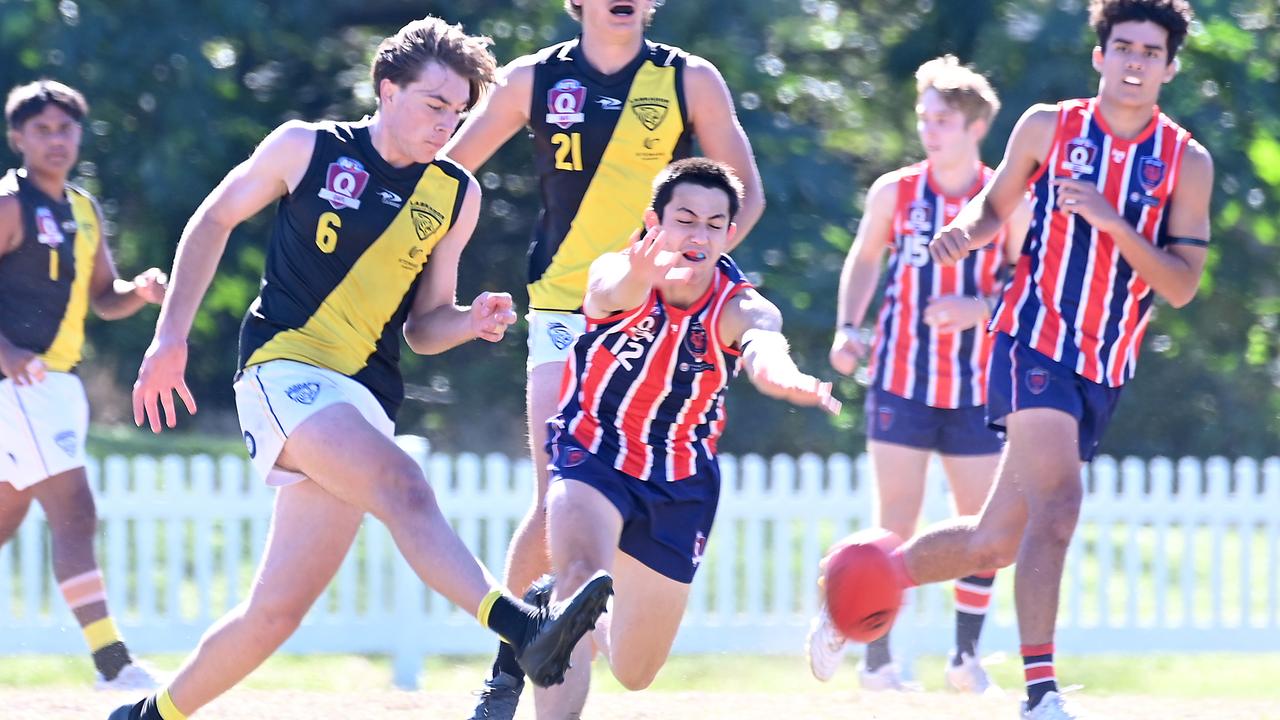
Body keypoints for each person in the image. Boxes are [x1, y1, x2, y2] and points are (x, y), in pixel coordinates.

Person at [109, 17, 612, 720]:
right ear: (385, 89)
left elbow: (424, 325)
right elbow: (214, 219)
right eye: (435, 105)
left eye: (459, 112)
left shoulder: (454, 195)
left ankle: (144, 715)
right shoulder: (304, 147)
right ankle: (523, 630)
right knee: (403, 484)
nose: (448, 124)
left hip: (361, 397)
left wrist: (468, 322)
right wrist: (171, 338)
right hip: (282, 369)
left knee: (275, 612)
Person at [878, 1, 1210, 717]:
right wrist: (966, 234)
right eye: (1122, 47)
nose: (1133, 62)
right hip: (1031, 334)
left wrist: (1113, 221)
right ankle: (1040, 693)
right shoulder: (1048, 125)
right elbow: (994, 207)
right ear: (1099, 55)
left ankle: (865, 582)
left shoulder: (1187, 161)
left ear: (1170, 66)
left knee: (994, 540)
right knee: (1057, 509)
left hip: (1105, 361)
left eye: (1150, 52)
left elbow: (1180, 287)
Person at [442, 2, 765, 715]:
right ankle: (510, 662)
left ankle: (552, 629)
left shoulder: (690, 80)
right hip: (565, 306)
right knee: (557, 489)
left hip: (658, 319)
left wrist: (688, 284)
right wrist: (436, 281)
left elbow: (746, 198)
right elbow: (444, 173)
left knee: (592, 512)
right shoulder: (533, 78)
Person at [529, 157, 839, 719]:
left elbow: (763, 343)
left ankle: (566, 616)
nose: (698, 235)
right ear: (654, 221)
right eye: (685, 219)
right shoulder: (616, 274)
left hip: (678, 481)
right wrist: (642, 273)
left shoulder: (739, 304)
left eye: (714, 224)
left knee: (635, 672)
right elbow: (611, 289)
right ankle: (567, 613)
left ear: (729, 233)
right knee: (577, 581)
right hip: (593, 451)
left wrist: (783, 376)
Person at [806, 56, 1030, 694]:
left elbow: (1029, 281)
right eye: (924, 117)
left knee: (980, 524)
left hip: (976, 388)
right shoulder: (895, 191)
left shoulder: (1004, 198)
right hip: (900, 379)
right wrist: (849, 328)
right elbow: (864, 257)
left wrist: (978, 308)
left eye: (945, 119)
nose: (931, 130)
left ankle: (965, 659)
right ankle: (876, 657)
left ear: (976, 125)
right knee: (895, 521)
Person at [0, 79, 167, 691]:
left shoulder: (84, 210)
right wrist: (7, 350)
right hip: (17, 382)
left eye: (65, 128)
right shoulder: (9, 205)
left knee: (6, 518)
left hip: (51, 383)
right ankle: (112, 664)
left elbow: (104, 297)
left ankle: (110, 663)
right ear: (16, 137)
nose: (55, 140)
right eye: (41, 129)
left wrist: (140, 293)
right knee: (75, 509)